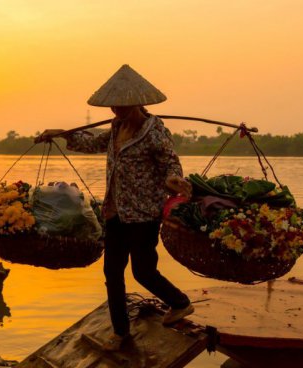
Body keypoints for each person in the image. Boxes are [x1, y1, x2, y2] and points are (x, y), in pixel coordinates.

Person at [36, 64, 194, 351]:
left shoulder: (154, 131)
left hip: (143, 214)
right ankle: (121, 331)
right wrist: (63, 134)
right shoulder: (115, 128)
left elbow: (170, 162)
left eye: (121, 106)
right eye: (112, 106)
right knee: (112, 273)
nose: (115, 110)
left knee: (143, 272)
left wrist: (173, 179)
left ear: (136, 102)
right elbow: (91, 144)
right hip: (115, 211)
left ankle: (180, 303)